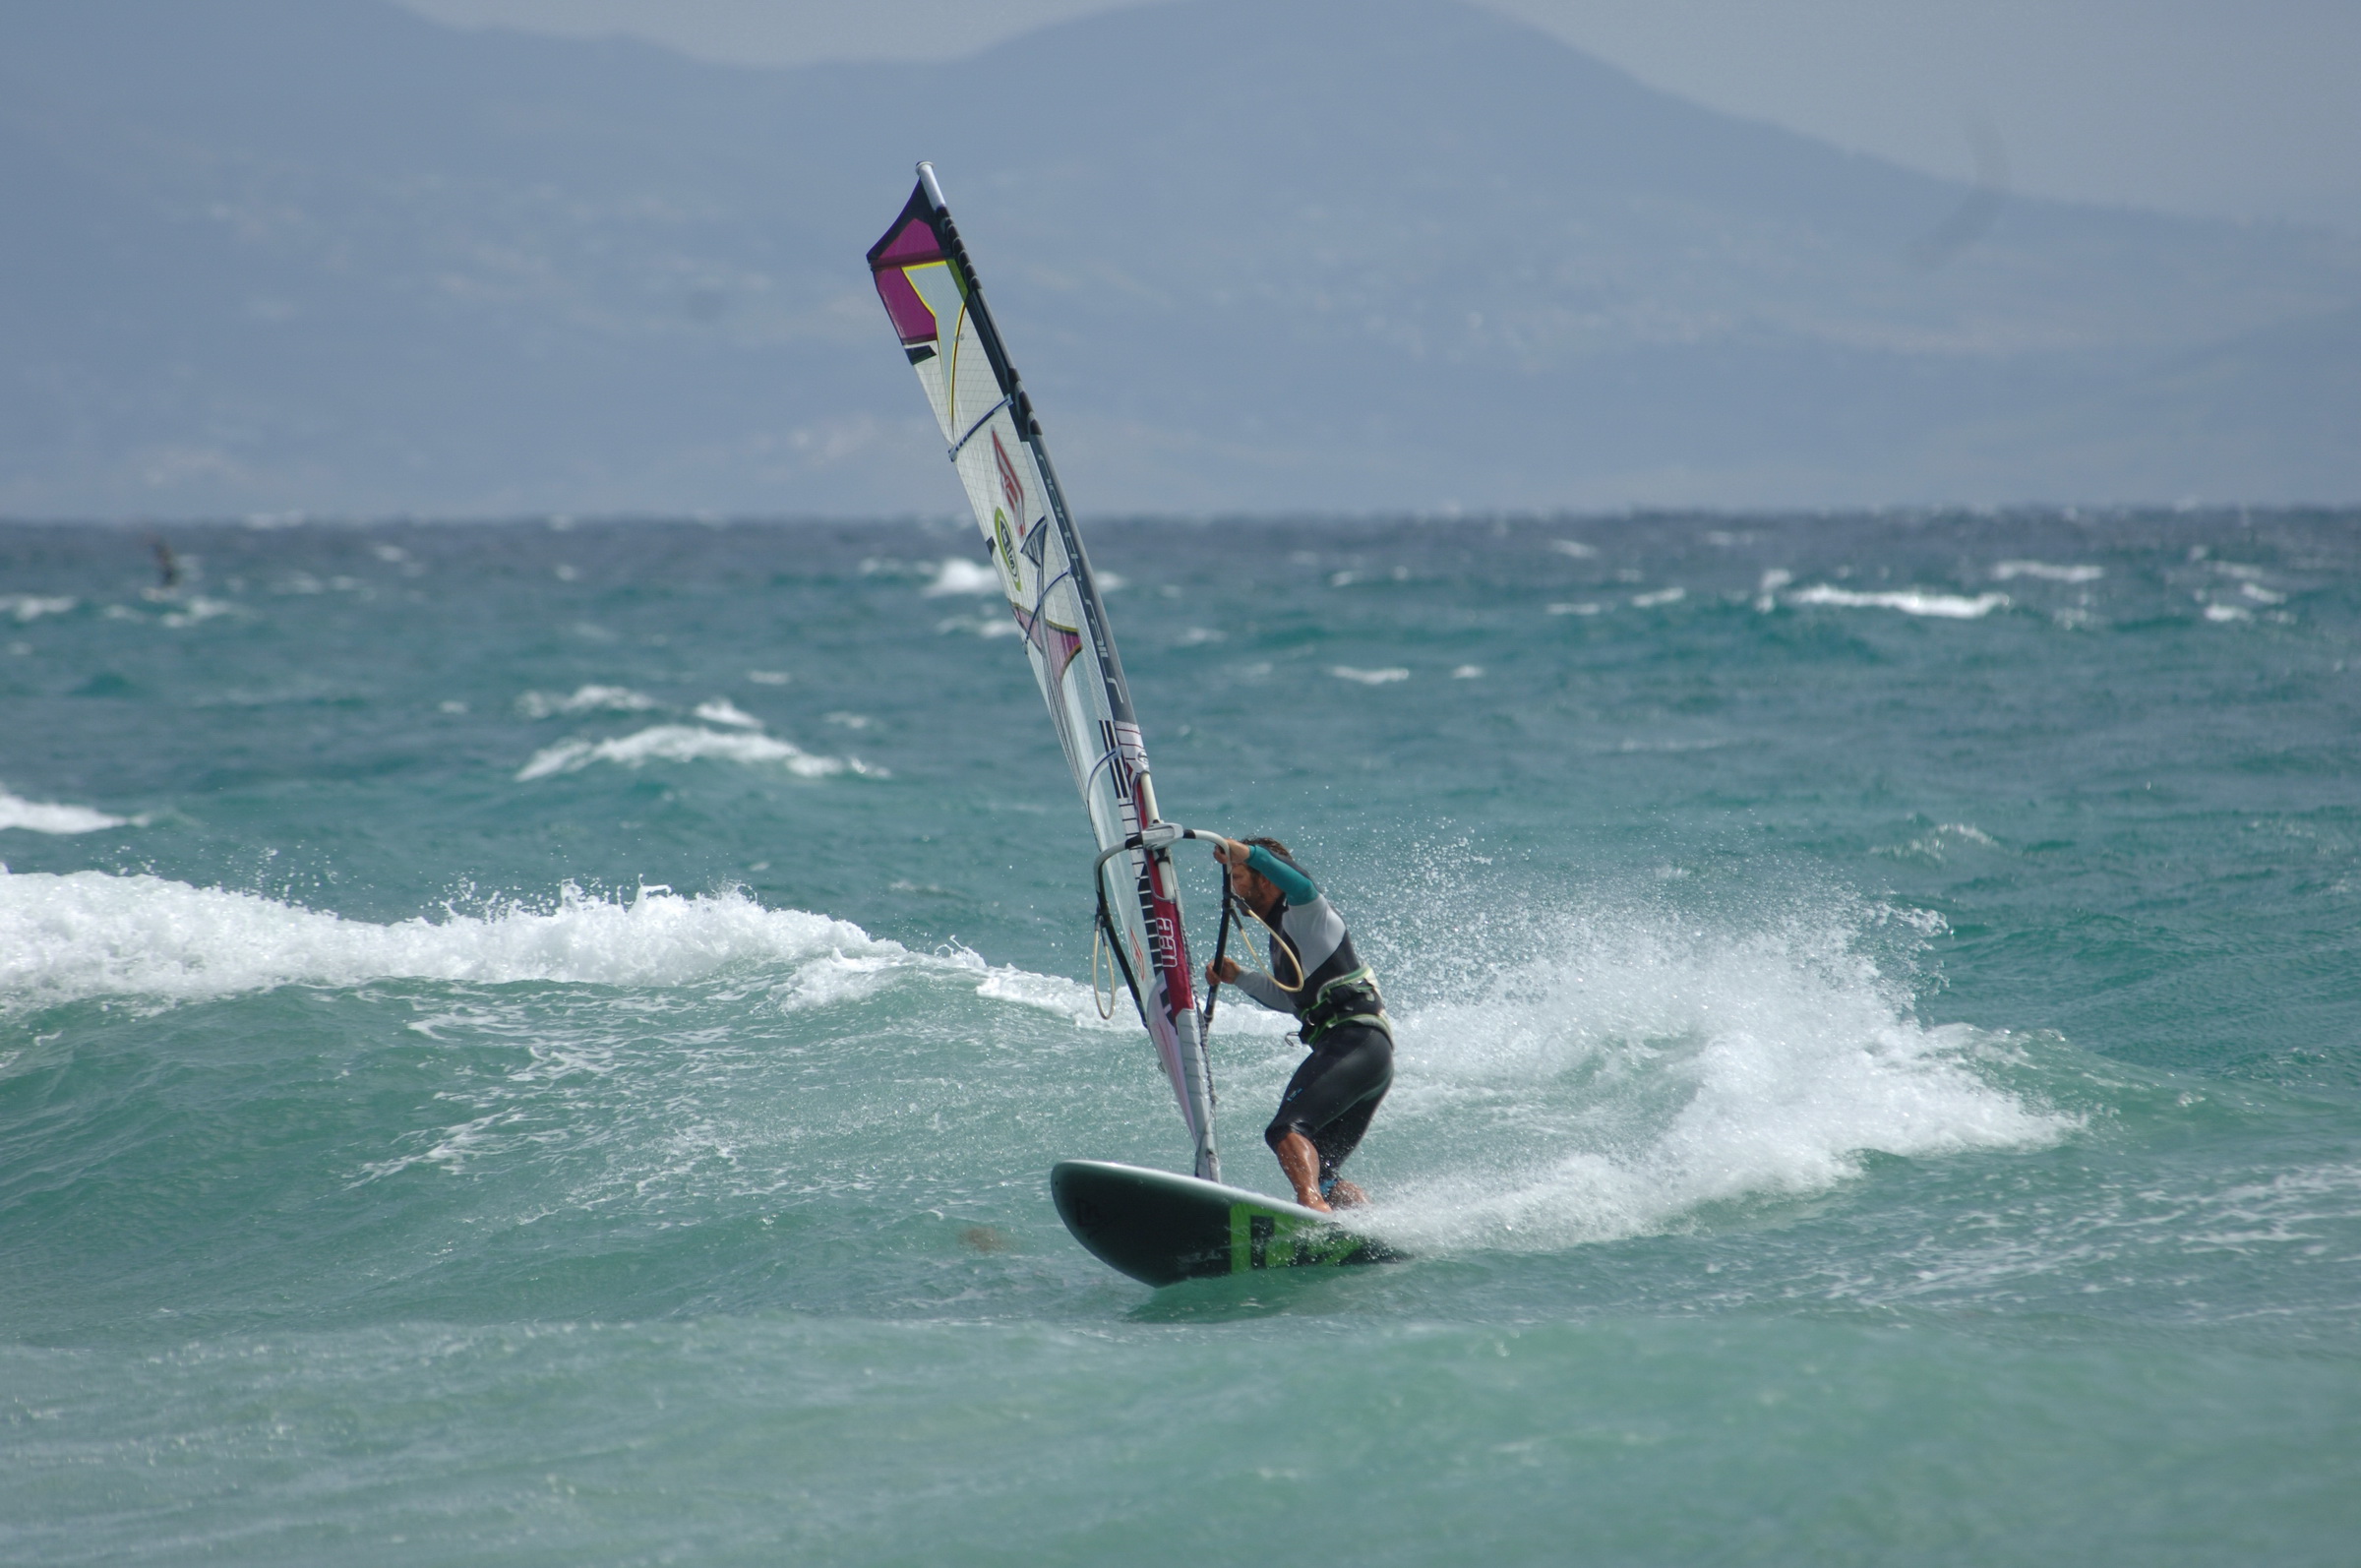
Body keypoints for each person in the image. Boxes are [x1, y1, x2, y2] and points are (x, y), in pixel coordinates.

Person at [1202, 835, 1392, 1213]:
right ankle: (1365, 1222)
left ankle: (1311, 1209)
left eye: (1238, 876)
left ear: (1267, 880)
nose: (1232, 888)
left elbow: (1300, 881)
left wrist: (1246, 853)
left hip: (1354, 1040)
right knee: (1324, 1170)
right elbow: (1292, 1000)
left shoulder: (1305, 911)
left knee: (1287, 1130)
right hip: (1368, 1053)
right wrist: (1240, 978)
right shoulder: (1283, 937)